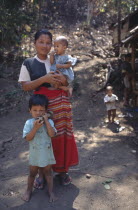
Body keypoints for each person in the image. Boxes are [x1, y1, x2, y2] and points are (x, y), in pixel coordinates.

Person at [18, 29, 78, 187]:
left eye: (48, 42)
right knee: (43, 137)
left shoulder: (59, 58)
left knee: (62, 137)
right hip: (42, 106)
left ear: (52, 44)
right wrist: (44, 79)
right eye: (41, 42)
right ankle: (42, 174)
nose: (45, 45)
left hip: (62, 103)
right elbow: (25, 86)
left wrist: (63, 80)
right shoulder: (29, 63)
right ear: (34, 43)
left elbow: (68, 81)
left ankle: (63, 171)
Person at [22, 94, 57, 202]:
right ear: (30, 111)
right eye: (35, 110)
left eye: (41, 110)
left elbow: (52, 134)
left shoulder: (50, 122)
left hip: (47, 154)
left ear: (46, 111)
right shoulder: (28, 123)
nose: (38, 113)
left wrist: (46, 121)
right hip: (35, 155)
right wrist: (35, 128)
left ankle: (51, 192)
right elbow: (27, 138)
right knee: (32, 174)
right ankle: (28, 190)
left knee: (48, 173)